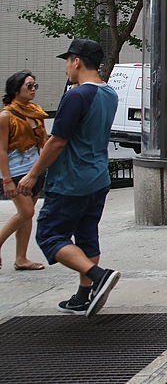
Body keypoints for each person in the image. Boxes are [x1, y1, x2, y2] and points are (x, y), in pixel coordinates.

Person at [17, 39, 119, 317]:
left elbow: (57, 141)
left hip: (72, 180)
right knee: (87, 236)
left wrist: (33, 174)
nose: (66, 69)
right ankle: (84, 296)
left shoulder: (77, 96)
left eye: (67, 61)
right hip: (98, 177)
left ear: (76, 61)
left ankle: (97, 276)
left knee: (50, 235)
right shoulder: (109, 93)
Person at [0, 70, 48, 271]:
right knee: (26, 211)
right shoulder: (6, 116)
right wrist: (7, 180)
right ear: (15, 89)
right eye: (29, 86)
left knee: (27, 214)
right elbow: (1, 150)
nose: (33, 89)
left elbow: (44, 143)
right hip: (16, 172)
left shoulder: (36, 111)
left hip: (34, 170)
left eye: (35, 85)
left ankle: (21, 258)